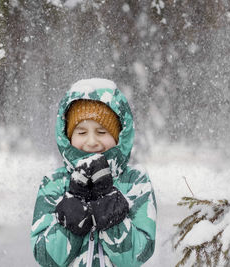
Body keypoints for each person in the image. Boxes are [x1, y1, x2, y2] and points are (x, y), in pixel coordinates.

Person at [30, 78, 157, 267]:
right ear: (68, 136)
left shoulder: (136, 182)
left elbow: (137, 256)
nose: (91, 142)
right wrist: (73, 211)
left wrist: (108, 205)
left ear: (118, 135)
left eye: (101, 132)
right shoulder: (54, 183)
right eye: (81, 133)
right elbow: (45, 258)